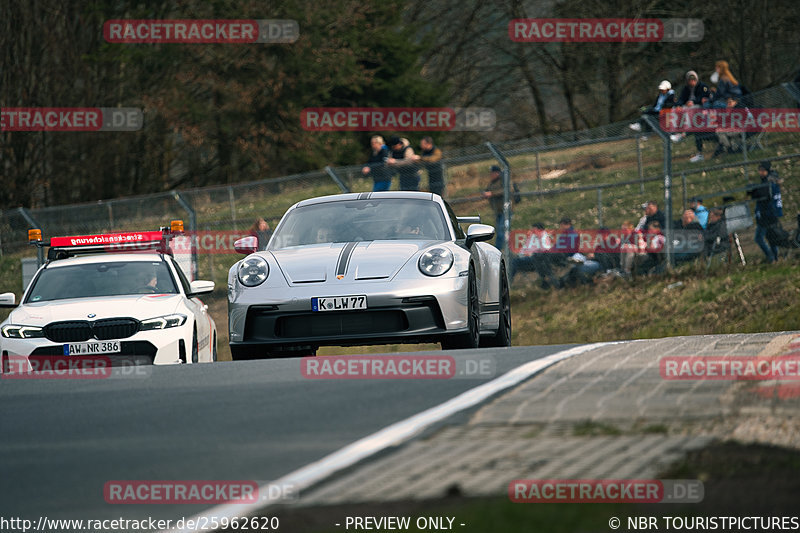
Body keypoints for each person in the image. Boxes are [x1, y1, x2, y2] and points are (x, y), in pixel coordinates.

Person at [747, 161, 783, 263]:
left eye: (762, 170)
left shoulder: (769, 182)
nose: (760, 172)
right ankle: (774, 257)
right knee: (771, 237)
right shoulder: (767, 181)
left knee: (760, 238)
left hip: (767, 214)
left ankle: (772, 257)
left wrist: (753, 191)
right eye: (759, 170)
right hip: (768, 214)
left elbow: (763, 194)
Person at [674, 71, 713, 161]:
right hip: (688, 106)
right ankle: (678, 131)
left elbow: (704, 98)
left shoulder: (702, 86)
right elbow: (681, 98)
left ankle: (684, 132)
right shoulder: (686, 88)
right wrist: (678, 105)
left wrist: (694, 102)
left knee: (690, 111)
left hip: (699, 108)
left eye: (693, 80)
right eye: (690, 80)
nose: (692, 82)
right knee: (677, 110)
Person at [482, 165, 510, 251]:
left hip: (506, 210)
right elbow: (488, 190)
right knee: (499, 231)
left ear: (497, 173)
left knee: (502, 231)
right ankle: (500, 249)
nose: (490, 175)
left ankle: (501, 249)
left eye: (492, 173)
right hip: (498, 211)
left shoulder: (504, 179)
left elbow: (507, 190)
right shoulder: (492, 182)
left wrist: (492, 193)